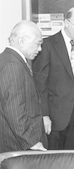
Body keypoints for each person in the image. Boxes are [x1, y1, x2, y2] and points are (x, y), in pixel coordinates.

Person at [32, 7, 74, 150]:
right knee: (54, 159)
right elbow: (40, 85)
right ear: (66, 22)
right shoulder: (47, 45)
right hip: (55, 115)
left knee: (72, 158)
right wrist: (44, 115)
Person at [0, 20, 48, 153]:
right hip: (18, 146)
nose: (40, 49)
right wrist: (31, 142)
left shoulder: (7, 59)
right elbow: (15, 109)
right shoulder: (13, 65)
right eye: (38, 44)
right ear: (21, 41)